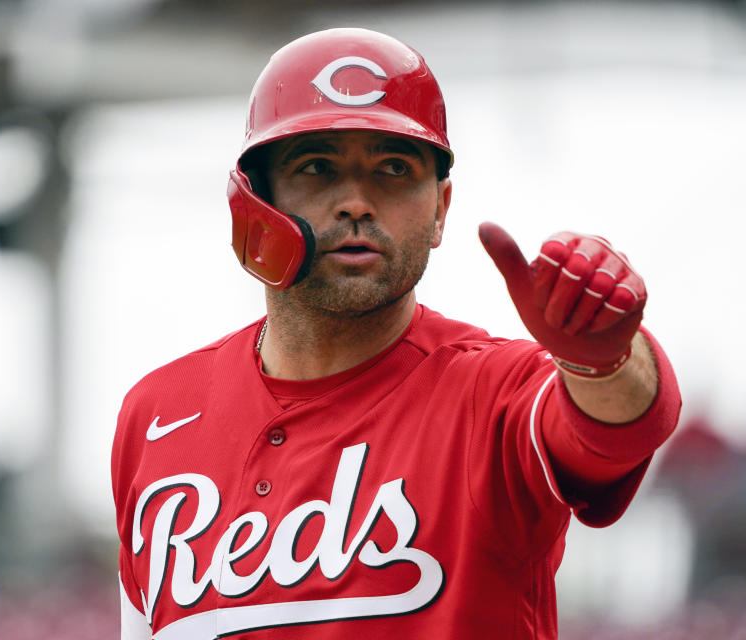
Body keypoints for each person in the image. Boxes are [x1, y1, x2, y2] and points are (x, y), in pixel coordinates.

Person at [111, 27, 681, 640]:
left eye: (393, 168)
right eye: (317, 166)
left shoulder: (493, 391)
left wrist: (605, 358)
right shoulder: (157, 414)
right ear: (253, 200)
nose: (356, 201)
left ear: (441, 209)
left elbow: (615, 427)